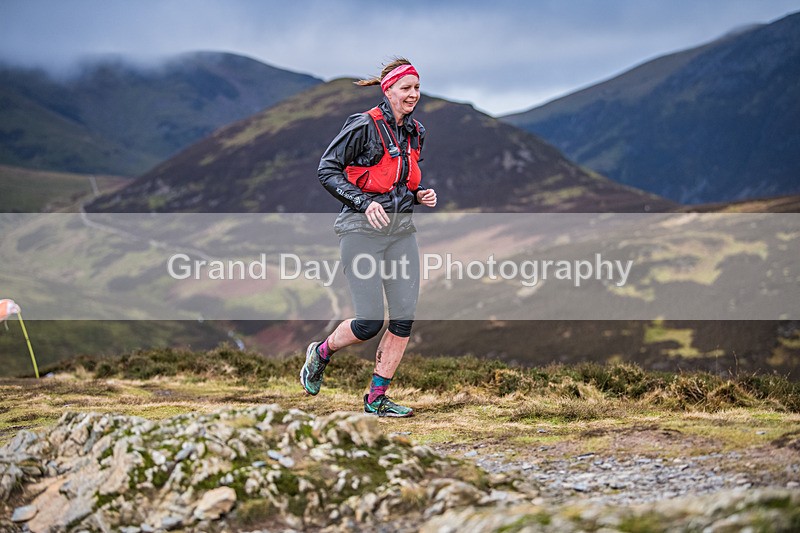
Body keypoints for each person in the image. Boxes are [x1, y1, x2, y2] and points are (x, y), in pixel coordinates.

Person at [300, 58, 437, 417]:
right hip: (359, 231)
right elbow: (327, 170)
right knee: (369, 322)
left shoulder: (416, 132)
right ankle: (322, 352)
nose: (413, 95)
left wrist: (419, 193)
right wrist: (362, 203)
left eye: (417, 88)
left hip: (401, 232)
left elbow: (396, 179)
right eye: (406, 88)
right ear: (388, 89)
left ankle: (376, 399)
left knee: (404, 319)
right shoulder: (362, 125)